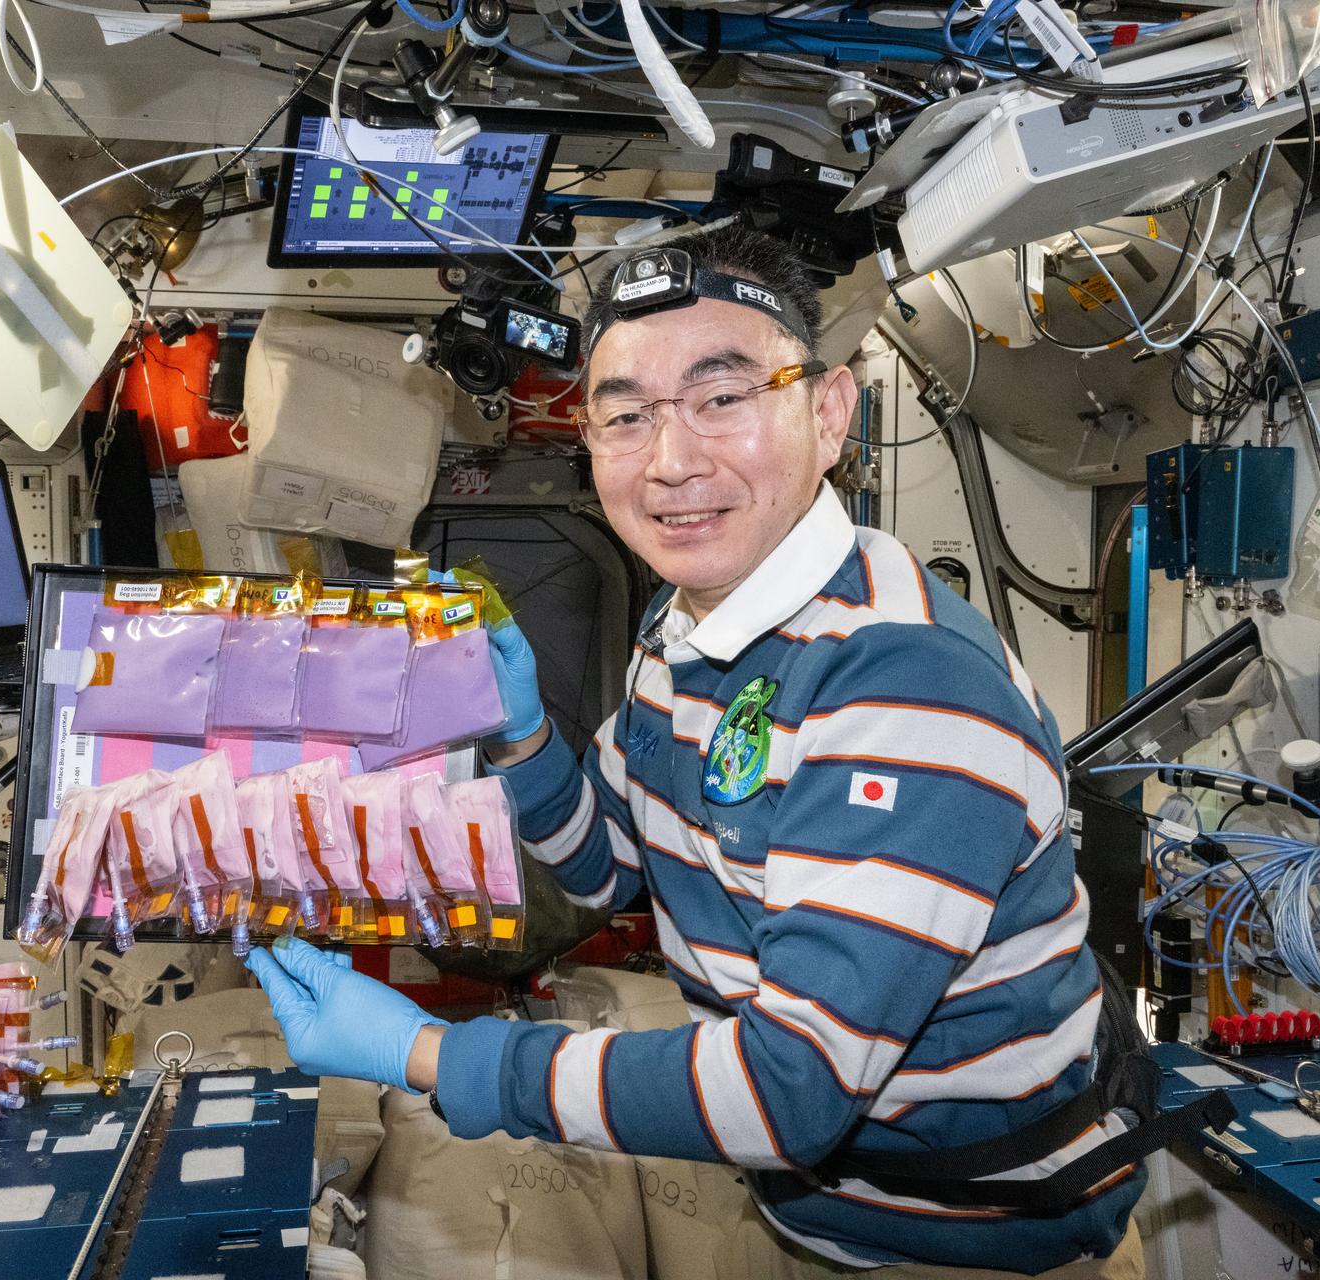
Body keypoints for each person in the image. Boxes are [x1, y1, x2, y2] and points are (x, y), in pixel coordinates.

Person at [249, 226, 1146, 1277]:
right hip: (815, 1205)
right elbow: (601, 863)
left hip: (969, 1244)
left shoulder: (906, 681)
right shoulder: (685, 630)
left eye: (722, 397)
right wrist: (521, 732)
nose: (672, 461)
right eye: (627, 414)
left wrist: (426, 1053)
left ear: (829, 413)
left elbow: (788, 1090)